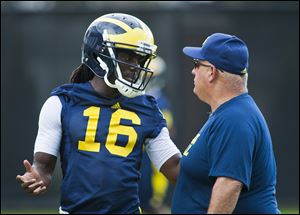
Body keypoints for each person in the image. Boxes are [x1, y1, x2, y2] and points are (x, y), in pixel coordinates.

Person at [16, 13, 181, 214]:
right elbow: (43, 168)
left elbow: (173, 167)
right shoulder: (62, 103)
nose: (135, 66)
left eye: (139, 59)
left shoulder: (147, 107)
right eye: (128, 57)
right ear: (100, 56)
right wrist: (36, 179)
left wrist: (213, 169)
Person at [172, 33, 280, 214]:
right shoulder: (230, 113)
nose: (193, 71)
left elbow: (229, 185)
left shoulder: (235, 118)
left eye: (197, 64)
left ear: (211, 72)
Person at [138, 56, 175, 214]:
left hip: (151, 157)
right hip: (140, 158)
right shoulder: (140, 99)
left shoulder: (160, 103)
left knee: (151, 202)